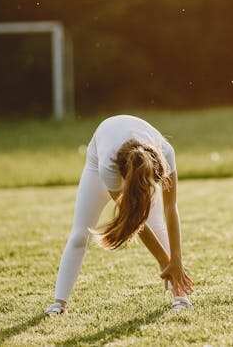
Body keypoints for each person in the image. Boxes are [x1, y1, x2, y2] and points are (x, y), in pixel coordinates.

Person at [44, 115, 193, 315]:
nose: (150, 192)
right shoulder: (108, 168)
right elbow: (133, 220)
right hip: (96, 163)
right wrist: (166, 262)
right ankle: (58, 303)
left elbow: (170, 208)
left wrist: (176, 261)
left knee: (157, 224)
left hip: (138, 158)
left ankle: (180, 297)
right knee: (80, 235)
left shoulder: (166, 154)